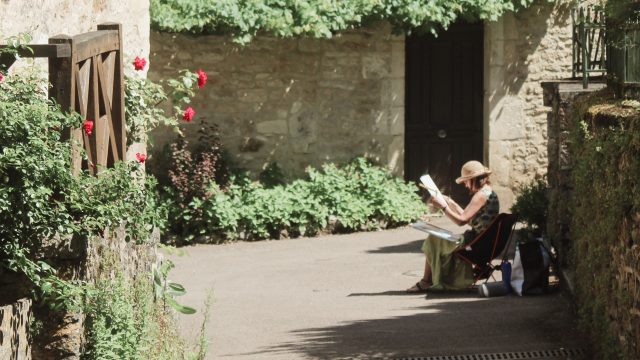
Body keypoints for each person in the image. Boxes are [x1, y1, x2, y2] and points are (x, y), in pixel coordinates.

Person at [406, 160, 500, 293]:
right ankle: (428, 280)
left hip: (476, 243)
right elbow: (469, 219)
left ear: (473, 179)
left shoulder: (480, 196)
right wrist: (451, 202)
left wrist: (443, 207)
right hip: (482, 240)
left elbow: (461, 221)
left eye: (466, 181)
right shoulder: (487, 192)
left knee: (433, 239)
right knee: (435, 236)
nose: (465, 185)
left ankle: (426, 281)